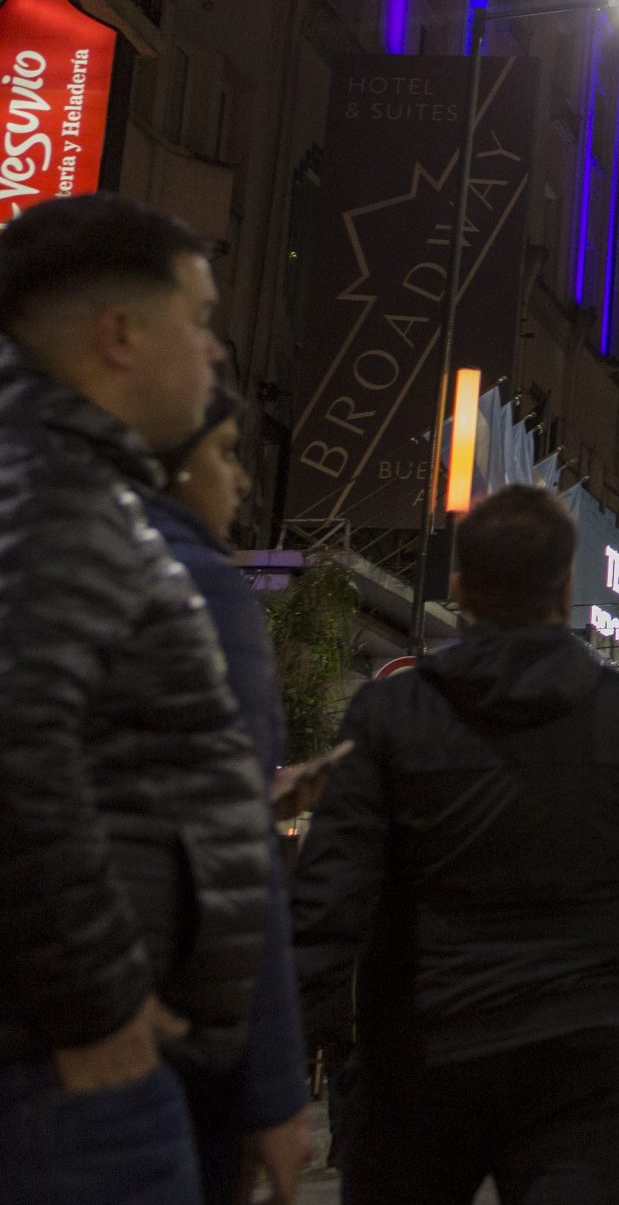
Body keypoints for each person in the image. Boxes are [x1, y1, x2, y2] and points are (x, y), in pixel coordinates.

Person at [293, 483, 619, 1204]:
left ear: (459, 589)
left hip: (423, 1049)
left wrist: (277, 1066)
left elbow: (329, 900)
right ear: (564, 588)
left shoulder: (390, 714)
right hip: (582, 1056)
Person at [0, 195, 269, 1205]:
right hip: (69, 1079)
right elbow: (14, 734)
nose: (212, 356)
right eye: (197, 322)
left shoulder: (70, 484)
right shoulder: (55, 494)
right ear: (119, 335)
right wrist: (99, 1000)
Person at [149, 386, 325, 1204]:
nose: (243, 482)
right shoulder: (205, 592)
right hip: (167, 1041)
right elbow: (234, 870)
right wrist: (275, 1088)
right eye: (225, 455)